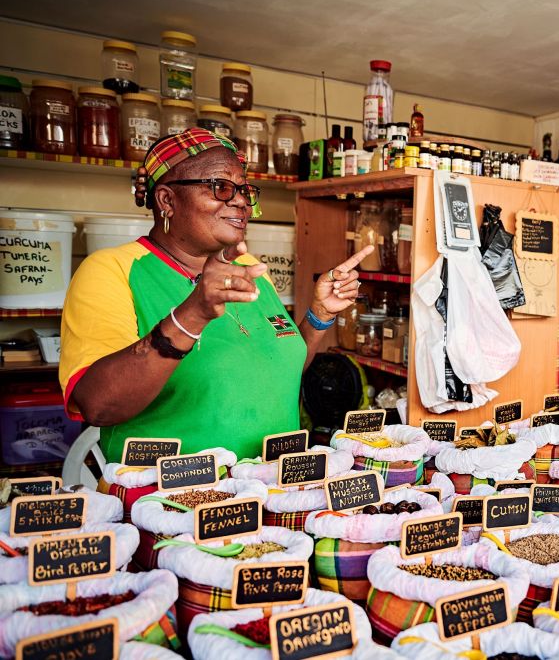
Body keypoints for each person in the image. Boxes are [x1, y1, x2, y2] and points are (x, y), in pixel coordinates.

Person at [58, 128, 374, 460]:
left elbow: (278, 372)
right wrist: (193, 314)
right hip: (173, 486)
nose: (240, 201)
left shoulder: (249, 266)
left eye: (244, 189)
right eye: (220, 187)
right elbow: (97, 405)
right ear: (167, 200)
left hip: (268, 480)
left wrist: (319, 316)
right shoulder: (112, 270)